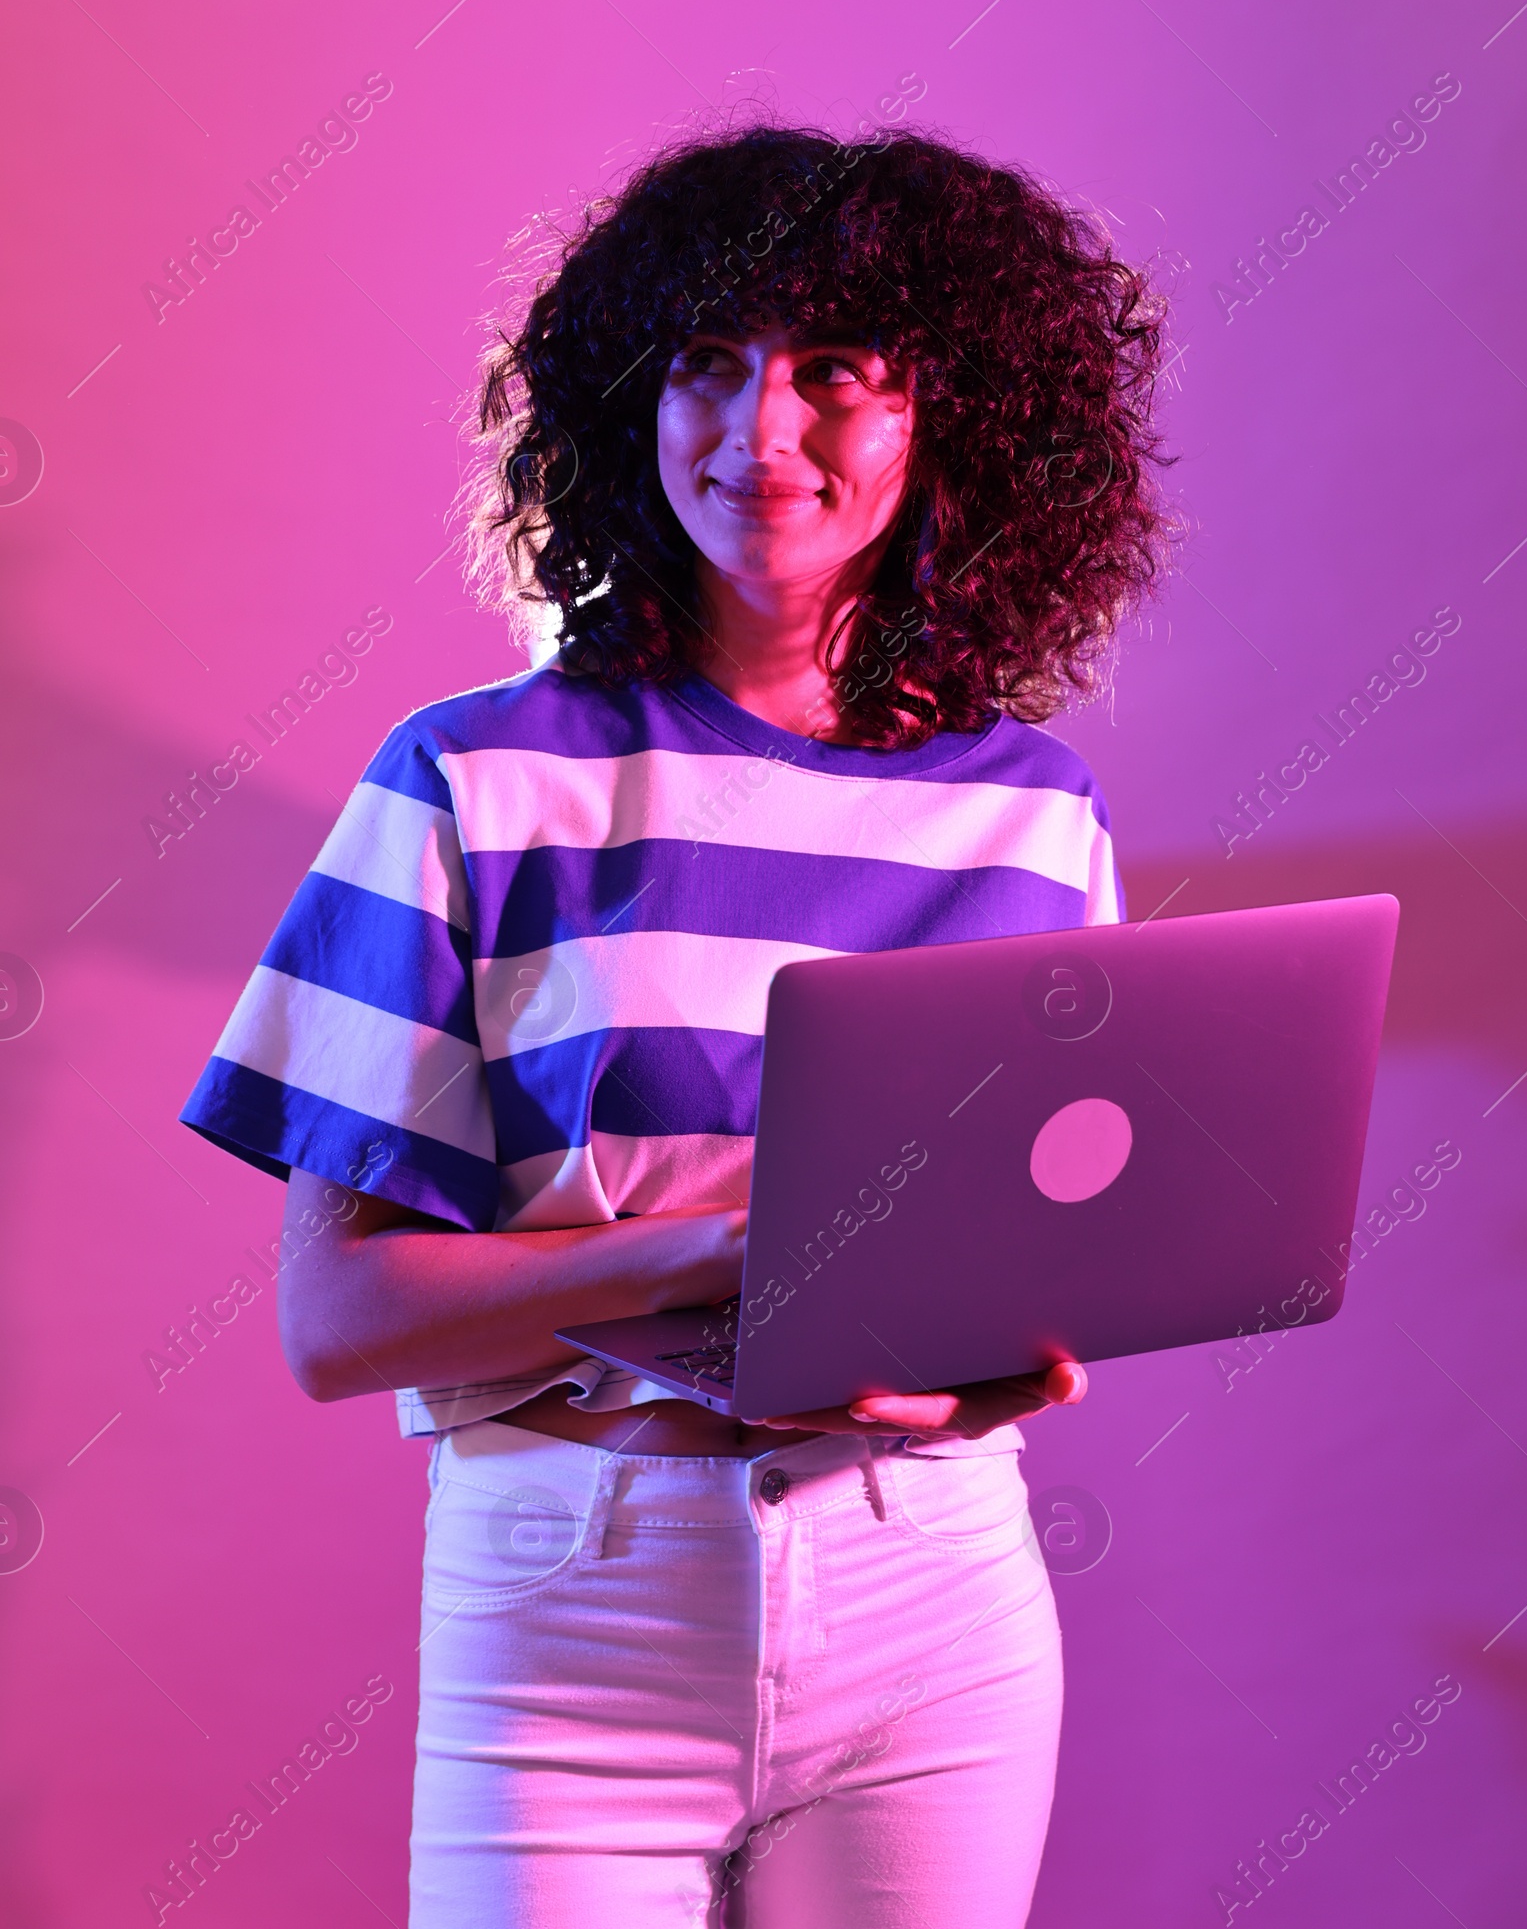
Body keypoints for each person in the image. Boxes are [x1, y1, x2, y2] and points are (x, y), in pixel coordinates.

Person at [180, 120, 1171, 1927]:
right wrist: (737, 1253)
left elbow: (1034, 1256)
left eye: (836, 377)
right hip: (575, 1592)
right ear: (628, 406)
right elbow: (336, 1320)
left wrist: (1009, 1352)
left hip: (931, 1586)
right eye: (707, 367)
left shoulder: (1040, 818)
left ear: (947, 421)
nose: (759, 434)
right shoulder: (473, 779)